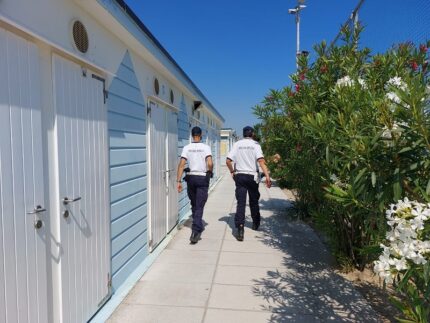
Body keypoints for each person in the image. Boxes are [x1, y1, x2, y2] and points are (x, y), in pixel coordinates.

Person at [226, 126, 271, 241]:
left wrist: (232, 172)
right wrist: (267, 176)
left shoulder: (237, 144)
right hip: (252, 177)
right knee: (253, 201)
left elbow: (228, 161)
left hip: (240, 176)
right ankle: (255, 223)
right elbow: (261, 161)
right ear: (252, 134)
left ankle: (240, 228)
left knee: (241, 203)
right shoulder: (256, 145)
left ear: (243, 134)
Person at [176, 126, 213, 244]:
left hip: (191, 177)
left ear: (192, 135)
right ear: (201, 135)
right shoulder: (206, 147)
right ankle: (195, 231)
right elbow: (210, 163)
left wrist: (178, 181)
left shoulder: (187, 147)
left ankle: (197, 223)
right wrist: (210, 171)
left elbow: (181, 164)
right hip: (202, 177)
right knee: (200, 204)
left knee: (194, 203)